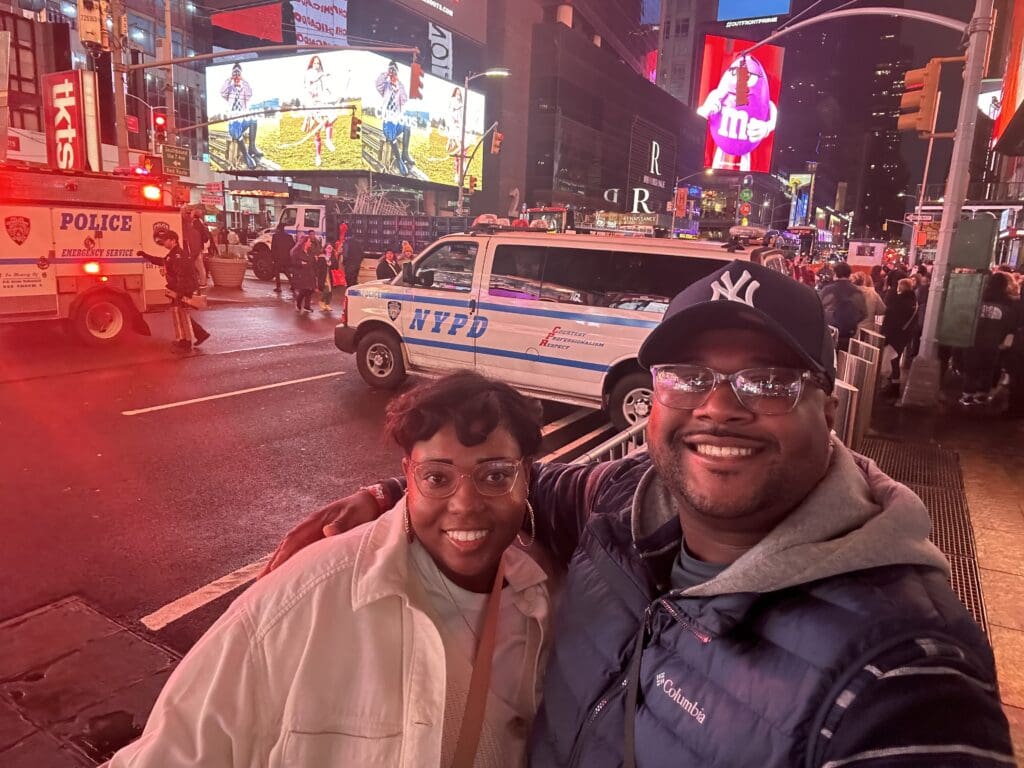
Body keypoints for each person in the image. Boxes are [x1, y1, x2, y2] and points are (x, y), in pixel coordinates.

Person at [265, 259, 1013, 767]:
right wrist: (390, 497)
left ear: (828, 400)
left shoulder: (907, 674)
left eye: (767, 381)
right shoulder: (623, 500)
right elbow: (524, 489)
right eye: (687, 376)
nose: (718, 407)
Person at [107, 372, 555, 768]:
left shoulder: (546, 599)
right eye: (437, 478)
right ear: (408, 476)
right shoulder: (299, 601)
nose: (466, 505)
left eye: (495, 476)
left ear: (527, 476)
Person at [138, 230, 210, 352]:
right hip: (179, 288)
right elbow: (162, 262)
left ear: (173, 241)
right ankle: (200, 334)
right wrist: (146, 255)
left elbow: (181, 275)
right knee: (182, 314)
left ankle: (185, 342)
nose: (164, 243)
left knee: (180, 315)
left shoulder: (178, 255)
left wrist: (180, 292)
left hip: (181, 289)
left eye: (165, 240)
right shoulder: (173, 254)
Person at [959, 271, 1017, 407]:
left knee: (971, 368)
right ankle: (982, 395)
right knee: (988, 369)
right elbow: (1011, 325)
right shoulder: (1008, 303)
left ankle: (967, 395)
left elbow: (966, 318)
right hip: (993, 342)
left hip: (974, 340)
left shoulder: (979, 298)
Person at [375, 60, 415, 176]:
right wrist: (387, 73)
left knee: (407, 126)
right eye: (391, 70)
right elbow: (378, 84)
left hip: (396, 120)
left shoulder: (399, 86)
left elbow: (404, 100)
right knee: (392, 137)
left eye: (394, 71)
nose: (392, 73)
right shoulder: (385, 86)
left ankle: (405, 154)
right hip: (388, 122)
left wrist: (398, 84)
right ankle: (399, 161)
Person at [219, 63, 261, 170]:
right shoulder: (230, 90)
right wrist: (230, 78)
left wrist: (243, 79)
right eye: (235, 73)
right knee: (236, 131)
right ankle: (246, 156)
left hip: (242, 119)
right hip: (234, 121)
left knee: (253, 119)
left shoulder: (243, 89)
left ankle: (252, 147)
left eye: (238, 73)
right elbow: (222, 92)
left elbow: (249, 93)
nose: (237, 76)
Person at [880, 277, 918, 394]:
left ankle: (894, 385)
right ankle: (894, 382)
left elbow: (890, 319)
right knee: (895, 358)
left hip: (894, 335)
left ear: (901, 287)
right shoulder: (913, 302)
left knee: (893, 359)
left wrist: (884, 334)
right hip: (905, 335)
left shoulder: (899, 301)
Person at [818, 261, 867, 351]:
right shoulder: (857, 291)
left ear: (835, 274)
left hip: (829, 333)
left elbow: (818, 308)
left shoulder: (828, 290)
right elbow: (863, 313)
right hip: (849, 334)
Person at [302, 55, 339, 168]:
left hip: (322, 103)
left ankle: (328, 140)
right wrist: (322, 75)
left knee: (331, 117)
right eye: (315, 63)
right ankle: (318, 156)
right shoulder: (309, 73)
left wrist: (331, 94)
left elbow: (326, 88)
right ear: (311, 64)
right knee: (316, 132)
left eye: (318, 63)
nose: (317, 65)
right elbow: (311, 82)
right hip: (311, 105)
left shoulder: (322, 75)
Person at [183, 208, 212, 292]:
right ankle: (202, 282)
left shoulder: (194, 226)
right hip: (197, 248)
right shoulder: (200, 224)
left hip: (194, 249)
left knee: (198, 266)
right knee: (200, 266)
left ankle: (201, 283)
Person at [290, 233, 317, 313]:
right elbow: (294, 263)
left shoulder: (310, 251)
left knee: (310, 290)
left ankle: (307, 306)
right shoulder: (297, 252)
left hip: (310, 273)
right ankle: (298, 303)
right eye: (309, 241)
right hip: (302, 274)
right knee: (304, 290)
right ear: (305, 242)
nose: (310, 243)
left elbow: (312, 261)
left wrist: (315, 260)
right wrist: (301, 263)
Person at [270, 220, 294, 295]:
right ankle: (293, 284)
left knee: (277, 272)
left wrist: (273, 258)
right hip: (286, 257)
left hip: (278, 257)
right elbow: (293, 246)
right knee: (287, 271)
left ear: (278, 229)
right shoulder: (289, 236)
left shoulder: (275, 236)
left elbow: (273, 248)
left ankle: (278, 287)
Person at [315, 242, 334, 311]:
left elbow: (336, 266)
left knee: (330, 291)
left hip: (331, 276)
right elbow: (318, 268)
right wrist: (326, 263)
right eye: (328, 247)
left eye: (331, 248)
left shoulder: (333, 256)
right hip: (323, 276)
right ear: (325, 249)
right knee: (327, 290)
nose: (330, 249)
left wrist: (331, 263)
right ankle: (322, 301)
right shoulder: (321, 257)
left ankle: (327, 304)